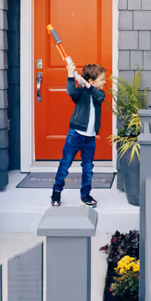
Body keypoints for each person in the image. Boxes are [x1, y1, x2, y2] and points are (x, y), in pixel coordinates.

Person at [51, 56, 106, 208]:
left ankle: (85, 194)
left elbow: (98, 97)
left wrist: (86, 83)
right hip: (75, 135)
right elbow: (70, 91)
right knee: (65, 164)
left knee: (88, 168)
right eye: (102, 80)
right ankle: (56, 192)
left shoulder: (99, 94)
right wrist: (71, 74)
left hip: (90, 139)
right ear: (93, 80)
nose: (104, 82)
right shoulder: (80, 93)